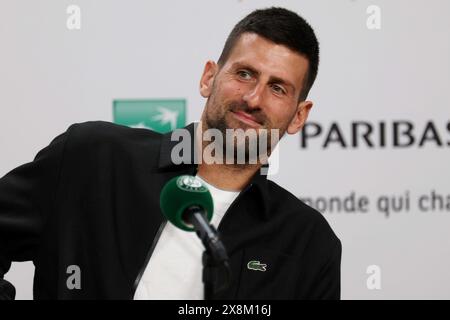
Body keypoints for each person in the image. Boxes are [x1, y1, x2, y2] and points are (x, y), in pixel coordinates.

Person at [0, 7, 341, 300]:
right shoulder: (92, 158)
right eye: (244, 73)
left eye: (277, 88)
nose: (253, 98)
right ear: (209, 77)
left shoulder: (309, 242)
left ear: (298, 115)